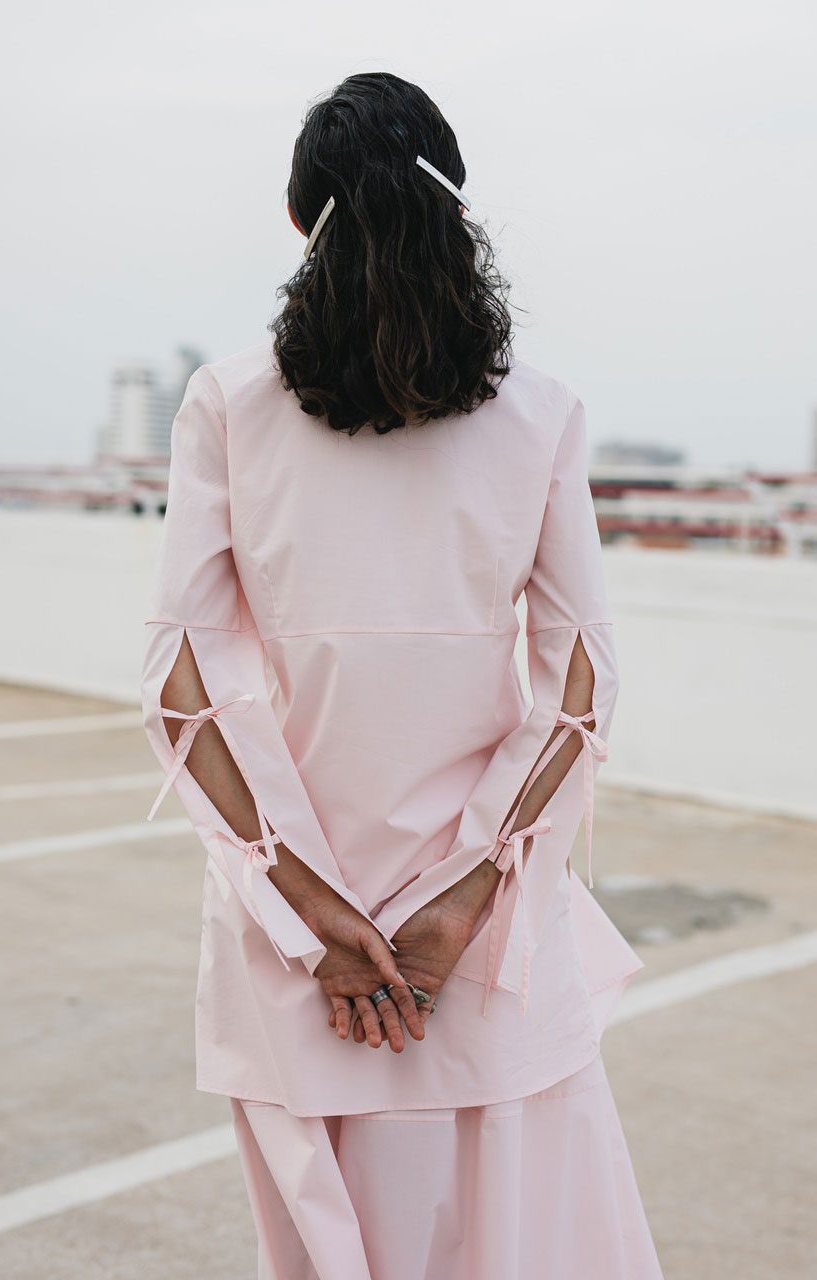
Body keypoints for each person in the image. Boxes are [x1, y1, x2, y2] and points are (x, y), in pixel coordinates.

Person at [140, 70, 665, 1280]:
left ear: (298, 220)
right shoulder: (538, 411)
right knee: (518, 1241)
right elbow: (580, 683)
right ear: (456, 208)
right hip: (482, 933)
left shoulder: (228, 402)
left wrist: (307, 908)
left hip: (298, 942)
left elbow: (182, 677)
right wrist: (465, 896)